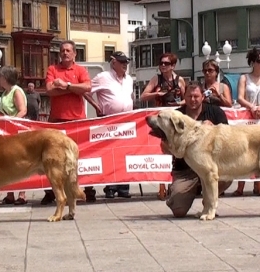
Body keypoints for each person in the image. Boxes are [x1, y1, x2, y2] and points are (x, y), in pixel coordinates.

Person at [164, 82, 233, 218]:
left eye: (196, 96)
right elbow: (164, 147)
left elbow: (228, 140)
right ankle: (178, 192)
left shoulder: (215, 112)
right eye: (189, 96)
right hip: (185, 170)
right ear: (184, 96)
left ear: (203, 97)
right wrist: (173, 144)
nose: (193, 99)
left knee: (226, 175)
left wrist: (213, 129)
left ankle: (208, 203)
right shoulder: (176, 115)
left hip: (209, 166)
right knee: (178, 211)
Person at [42, 40, 93, 204]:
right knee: (55, 159)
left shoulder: (80, 70)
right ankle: (54, 191)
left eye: (68, 50)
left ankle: (83, 188)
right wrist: (72, 89)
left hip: (77, 120)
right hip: (57, 121)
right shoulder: (52, 69)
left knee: (77, 157)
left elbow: (87, 87)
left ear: (74, 53)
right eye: (62, 50)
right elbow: (50, 90)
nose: (65, 53)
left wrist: (66, 85)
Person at [85, 51, 134, 199]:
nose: (125, 65)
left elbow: (129, 97)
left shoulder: (129, 79)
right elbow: (86, 91)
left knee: (125, 153)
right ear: (113, 63)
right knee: (111, 154)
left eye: (126, 62)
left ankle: (124, 187)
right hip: (109, 120)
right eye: (122, 62)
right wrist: (96, 106)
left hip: (126, 121)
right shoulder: (103, 77)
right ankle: (111, 187)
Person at [141, 52, 186, 200]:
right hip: (161, 122)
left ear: (173, 65)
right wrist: (157, 94)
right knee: (162, 152)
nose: (163, 66)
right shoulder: (156, 79)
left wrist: (181, 103)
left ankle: (176, 185)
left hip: (175, 121)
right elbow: (143, 96)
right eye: (161, 63)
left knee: (176, 153)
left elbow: (187, 99)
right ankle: (162, 188)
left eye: (166, 63)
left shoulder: (180, 81)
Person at [233, 48, 260, 197]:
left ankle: (259, 186)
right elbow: (240, 97)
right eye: (259, 61)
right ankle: (240, 186)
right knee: (244, 150)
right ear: (252, 62)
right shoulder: (244, 78)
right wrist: (251, 106)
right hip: (247, 116)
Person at [0, 66, 28, 205]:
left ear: (6, 77)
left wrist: (11, 120)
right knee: (8, 163)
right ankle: (10, 194)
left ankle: (22, 194)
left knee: (19, 162)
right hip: (7, 131)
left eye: (0, 76)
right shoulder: (5, 93)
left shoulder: (16, 91)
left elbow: (22, 110)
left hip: (17, 130)